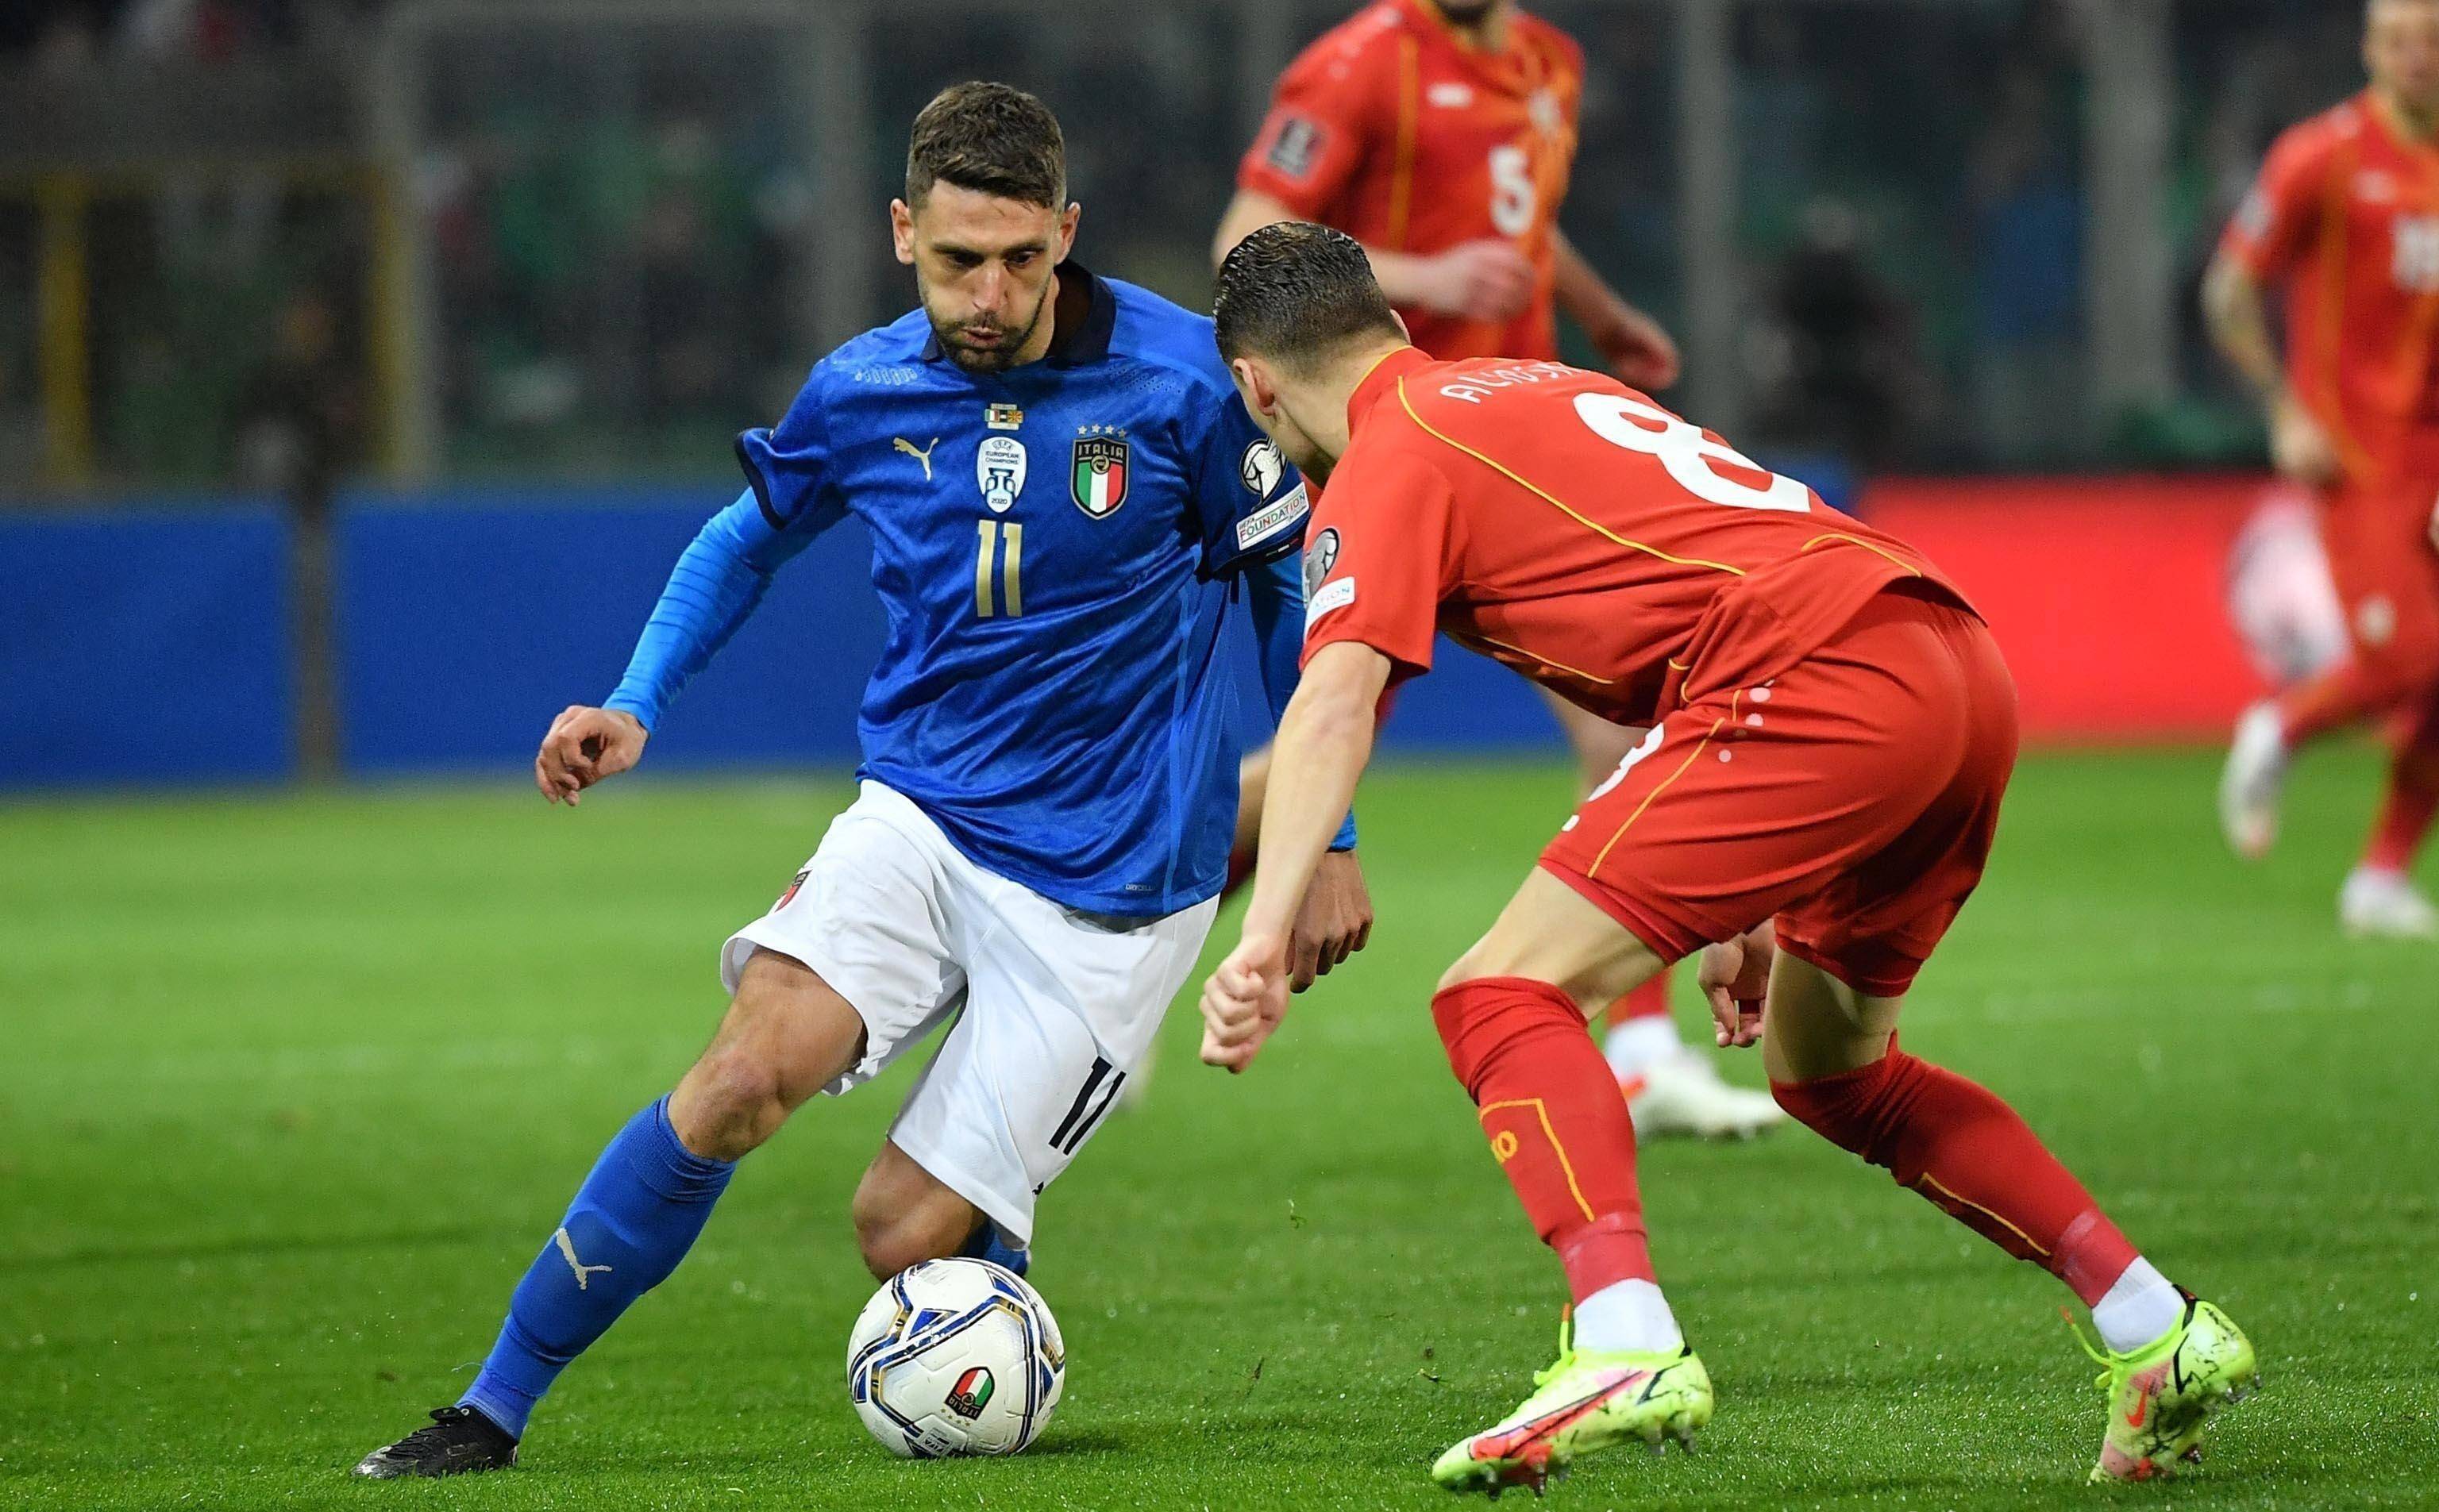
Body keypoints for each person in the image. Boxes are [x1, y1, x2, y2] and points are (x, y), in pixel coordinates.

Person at [350, 83, 1370, 1479]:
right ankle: (490, 1408)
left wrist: (1331, 838)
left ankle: (985, 1244)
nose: (993, 293)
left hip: (1115, 891)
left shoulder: (1188, 384)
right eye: (960, 260)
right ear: (903, 233)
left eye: (1025, 257)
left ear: (1067, 233)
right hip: (922, 819)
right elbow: (740, 542)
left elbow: (1284, 602)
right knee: (735, 1084)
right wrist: (636, 701)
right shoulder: (862, 389)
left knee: (897, 1234)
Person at [1196, 223, 2259, 1493]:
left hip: (1812, 682)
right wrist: (1738, 895)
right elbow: (1691, 598)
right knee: (1834, 1072)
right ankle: (2157, 1326)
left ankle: (1622, 1338)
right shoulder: (1547, 385)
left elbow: (1332, 700)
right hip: (1947, 659)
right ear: (1393, 323)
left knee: (1498, 993)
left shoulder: (1390, 453)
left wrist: (1260, 933)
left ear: (1257, 384)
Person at [1212, 0, 1778, 1136]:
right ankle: (1104, 910)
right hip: (1396, 448)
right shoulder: (1361, 65)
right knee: (1332, 736)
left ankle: (1642, 1048)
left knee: (1618, 729)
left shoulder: (1547, 62)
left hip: (1516, 448)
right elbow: (1247, 240)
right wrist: (1425, 271)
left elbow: (1524, 227)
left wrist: (1604, 316)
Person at [2206, 0, 2439, 938]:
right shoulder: (2322, 156)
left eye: (2433, 40)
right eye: (2400, 41)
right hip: (2362, 453)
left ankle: (2380, 876)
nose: (2418, 58)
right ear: (2369, 49)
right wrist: (2281, 407)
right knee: (2414, 656)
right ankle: (2282, 726)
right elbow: (2228, 288)